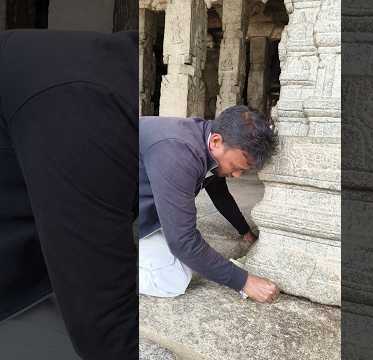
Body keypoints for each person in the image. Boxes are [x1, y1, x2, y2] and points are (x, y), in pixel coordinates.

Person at [0, 30, 138, 359]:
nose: (238, 177)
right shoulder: (88, 102)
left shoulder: (108, 76)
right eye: (240, 167)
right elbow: (107, 321)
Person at [139, 105, 280, 303]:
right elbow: (183, 242)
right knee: (173, 279)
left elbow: (220, 195)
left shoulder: (206, 142)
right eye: (236, 167)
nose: (238, 175)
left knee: (187, 262)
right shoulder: (179, 153)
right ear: (216, 141)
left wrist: (245, 232)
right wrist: (244, 281)